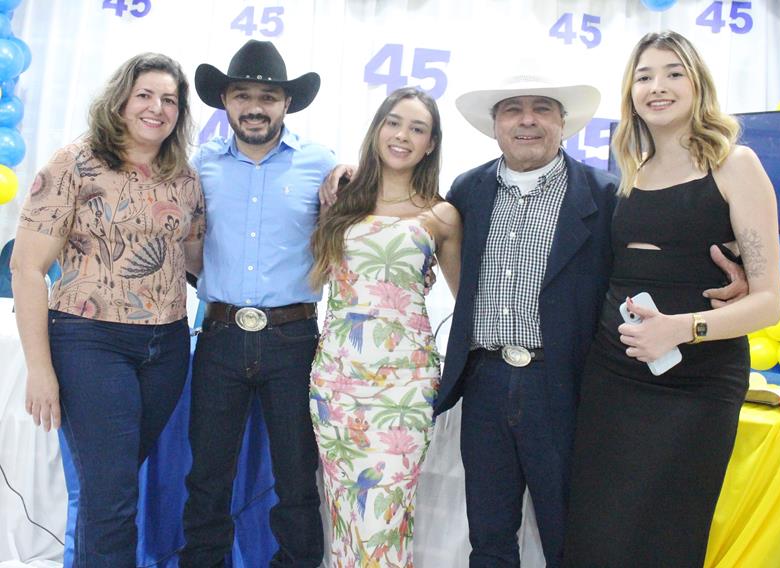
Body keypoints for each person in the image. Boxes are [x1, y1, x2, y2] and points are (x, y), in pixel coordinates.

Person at [428, 75, 750, 568]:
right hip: (485, 382)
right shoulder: (468, 190)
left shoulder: (607, 194)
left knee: (571, 537)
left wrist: (737, 267)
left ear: (564, 123)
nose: (527, 119)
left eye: (542, 108)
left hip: (565, 386)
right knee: (489, 536)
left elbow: (658, 252)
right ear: (495, 125)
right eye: (513, 109)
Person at [563, 31, 780, 568]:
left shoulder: (737, 165)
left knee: (666, 537)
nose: (657, 87)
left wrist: (682, 328)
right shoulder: (628, 173)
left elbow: (770, 303)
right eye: (644, 76)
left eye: (672, 73)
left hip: (698, 384)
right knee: (596, 533)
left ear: (697, 84)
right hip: (614, 376)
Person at [11, 53, 203, 567]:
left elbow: (198, 258)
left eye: (169, 99)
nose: (157, 108)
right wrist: (40, 369)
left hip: (166, 348)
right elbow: (27, 269)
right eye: (145, 95)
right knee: (113, 502)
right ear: (121, 100)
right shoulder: (73, 163)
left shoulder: (184, 177)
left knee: (108, 492)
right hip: (90, 342)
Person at [180, 40, 336, 568]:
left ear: (286, 104)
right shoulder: (197, 167)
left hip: (294, 340)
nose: (255, 106)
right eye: (242, 94)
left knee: (296, 477)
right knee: (207, 476)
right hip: (219, 336)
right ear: (224, 100)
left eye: (267, 96)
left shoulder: (323, 165)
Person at [309, 86, 461, 566]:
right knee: (345, 511)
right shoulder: (341, 200)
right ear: (377, 129)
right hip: (336, 381)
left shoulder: (442, 215)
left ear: (431, 143)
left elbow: (468, 303)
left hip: (404, 389)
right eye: (394, 122)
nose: (403, 135)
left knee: (386, 513)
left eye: (418, 129)